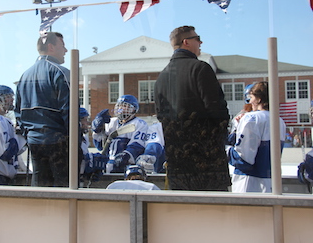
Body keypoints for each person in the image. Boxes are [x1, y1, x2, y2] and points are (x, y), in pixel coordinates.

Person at [154, 25, 231, 191]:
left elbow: (162, 117)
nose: (200, 42)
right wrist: (220, 139)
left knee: (184, 214)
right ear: (186, 42)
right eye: (197, 39)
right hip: (207, 165)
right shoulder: (201, 69)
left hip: (178, 166)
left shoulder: (161, 78)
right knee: (214, 214)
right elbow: (218, 112)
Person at [15, 32, 71, 187]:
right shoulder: (61, 72)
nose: (66, 50)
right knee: (65, 191)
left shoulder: (24, 75)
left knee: (39, 188)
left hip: (34, 142)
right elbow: (69, 112)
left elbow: (18, 113)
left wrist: (30, 135)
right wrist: (74, 142)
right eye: (63, 45)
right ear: (51, 47)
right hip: (59, 142)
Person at [227, 82, 286, 193]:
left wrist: (224, 149)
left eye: (251, 97)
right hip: (270, 184)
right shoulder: (280, 121)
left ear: (258, 99)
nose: (250, 102)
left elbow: (243, 160)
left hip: (249, 185)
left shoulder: (251, 118)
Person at [92, 95, 148, 173]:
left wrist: (126, 155)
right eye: (119, 105)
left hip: (127, 166)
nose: (120, 108)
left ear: (134, 109)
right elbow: (100, 147)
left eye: (125, 106)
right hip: (108, 164)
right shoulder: (111, 122)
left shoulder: (139, 124)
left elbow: (137, 145)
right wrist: (97, 130)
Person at [78, 107, 107, 187]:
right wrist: (90, 161)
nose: (87, 122)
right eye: (85, 119)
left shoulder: (83, 138)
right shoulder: (70, 138)